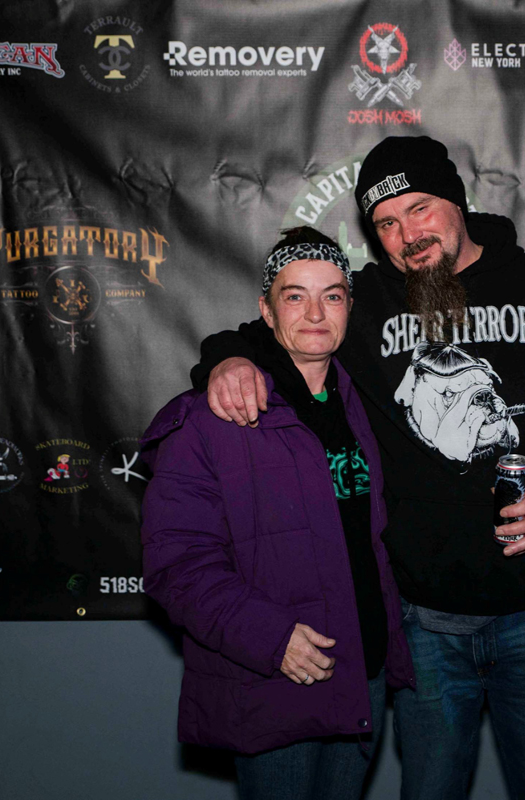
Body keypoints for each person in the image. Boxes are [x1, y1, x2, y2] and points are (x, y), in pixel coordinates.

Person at [192, 137, 525, 799]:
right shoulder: (364, 301)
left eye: (419, 209)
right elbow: (275, 328)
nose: (407, 235)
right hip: (424, 624)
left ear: (456, 201)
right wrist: (228, 360)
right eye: (385, 223)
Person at [141, 227, 414, 800]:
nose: (315, 313)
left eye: (332, 295)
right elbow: (176, 564)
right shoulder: (212, 417)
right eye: (295, 296)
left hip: (361, 672)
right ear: (266, 311)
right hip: (275, 674)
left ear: (349, 307)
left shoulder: (364, 401)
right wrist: (271, 638)